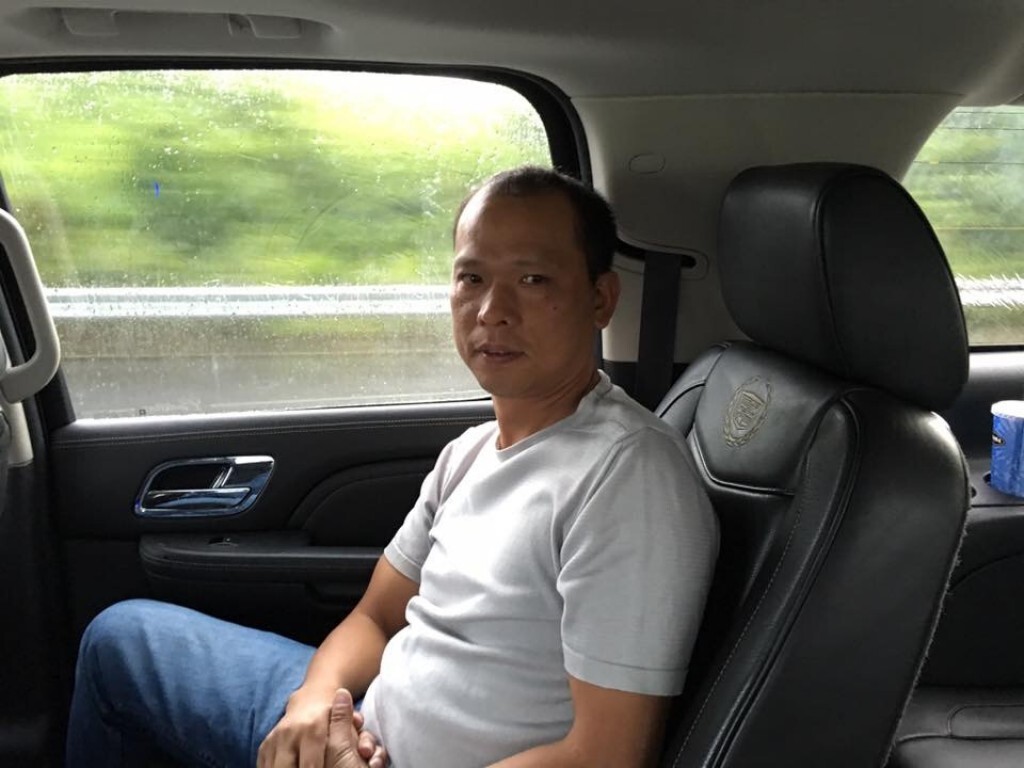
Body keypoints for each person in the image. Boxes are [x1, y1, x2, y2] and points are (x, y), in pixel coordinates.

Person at [66, 166, 718, 768]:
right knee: (120, 639)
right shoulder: (469, 453)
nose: (491, 310)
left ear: (600, 299)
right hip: (359, 725)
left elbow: (605, 756)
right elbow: (376, 618)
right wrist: (315, 708)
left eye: (532, 279)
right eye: (471, 278)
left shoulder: (628, 476)